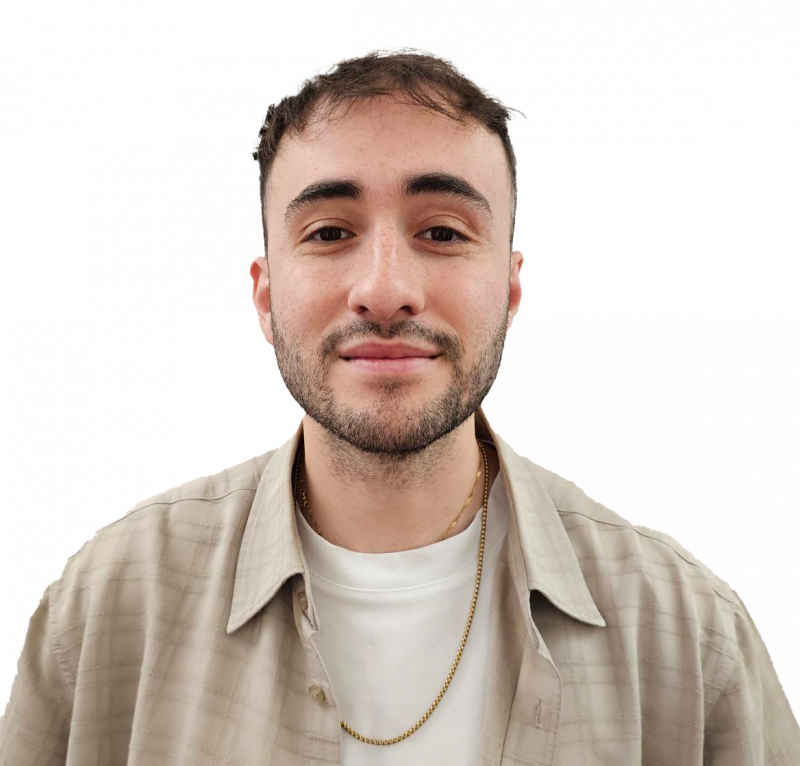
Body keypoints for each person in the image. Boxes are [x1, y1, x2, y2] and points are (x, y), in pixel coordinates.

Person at [1, 43, 797, 766]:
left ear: (511, 289)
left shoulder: (691, 636)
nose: (384, 291)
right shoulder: (107, 605)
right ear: (265, 296)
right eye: (328, 232)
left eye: (443, 232)